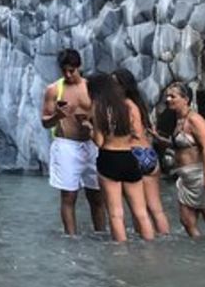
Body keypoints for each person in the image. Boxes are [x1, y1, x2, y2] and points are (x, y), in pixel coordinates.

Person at [40, 49, 107, 235]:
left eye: (72, 70)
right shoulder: (54, 89)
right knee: (69, 195)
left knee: (96, 195)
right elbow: (44, 121)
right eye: (64, 71)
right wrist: (57, 115)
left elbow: (103, 116)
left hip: (91, 144)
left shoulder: (91, 88)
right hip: (66, 144)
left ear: (79, 67)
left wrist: (90, 121)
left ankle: (100, 233)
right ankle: (71, 237)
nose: (68, 75)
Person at [90, 75, 155, 242]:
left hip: (109, 158)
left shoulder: (99, 108)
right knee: (141, 213)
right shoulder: (129, 106)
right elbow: (138, 133)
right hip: (129, 157)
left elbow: (99, 141)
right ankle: (151, 250)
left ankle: (121, 254)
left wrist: (88, 128)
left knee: (115, 214)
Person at [162, 82, 205, 238]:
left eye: (173, 96)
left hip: (200, 176)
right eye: (167, 96)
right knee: (186, 221)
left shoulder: (195, 120)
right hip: (186, 178)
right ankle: (199, 254)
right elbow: (183, 146)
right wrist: (157, 138)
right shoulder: (178, 120)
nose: (168, 99)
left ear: (185, 99)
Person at [113, 68, 169, 235]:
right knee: (155, 208)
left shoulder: (125, 106)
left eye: (115, 85)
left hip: (134, 155)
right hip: (149, 155)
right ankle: (166, 242)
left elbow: (135, 132)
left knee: (138, 209)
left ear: (124, 87)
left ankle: (144, 247)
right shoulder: (139, 104)